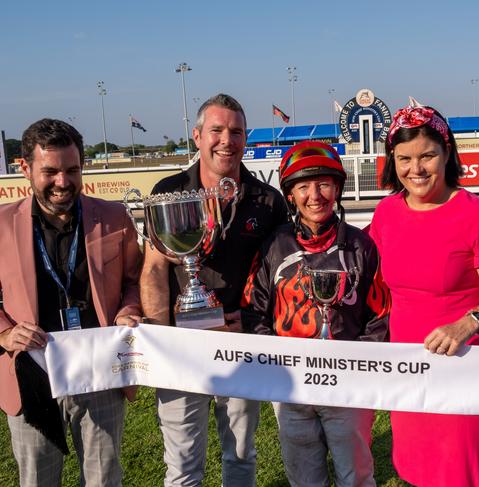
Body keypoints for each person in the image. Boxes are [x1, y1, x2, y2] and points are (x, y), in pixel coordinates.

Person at [140, 94, 288, 486]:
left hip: (239, 345)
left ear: (245, 138)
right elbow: (154, 268)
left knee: (240, 455)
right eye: (217, 130)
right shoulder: (168, 191)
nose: (227, 140)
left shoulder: (267, 200)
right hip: (180, 348)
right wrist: (158, 334)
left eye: (236, 131)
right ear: (197, 135)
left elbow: (278, 277)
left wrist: (254, 321)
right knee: (183, 463)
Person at [369, 106, 479, 487]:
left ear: (447, 154)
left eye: (427, 156)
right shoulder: (385, 213)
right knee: (418, 471)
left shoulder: (477, 215)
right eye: (404, 159)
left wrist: (468, 323)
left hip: (465, 368)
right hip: (410, 370)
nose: (415, 169)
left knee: (462, 475)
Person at [0, 118, 142, 486]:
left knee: (104, 478)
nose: (63, 182)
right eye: (50, 171)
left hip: (100, 369)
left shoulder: (113, 217)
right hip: (32, 373)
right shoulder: (1, 225)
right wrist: (4, 333)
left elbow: (134, 280)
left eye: (72, 170)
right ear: (25, 168)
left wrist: (129, 309)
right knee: (37, 479)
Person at [241, 140, 390, 487]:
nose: (315, 195)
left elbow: (380, 315)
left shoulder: (362, 245)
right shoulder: (273, 246)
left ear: (337, 187)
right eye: (303, 186)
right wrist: (277, 360)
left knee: (356, 476)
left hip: (348, 386)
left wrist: (357, 366)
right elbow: (254, 310)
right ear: (289, 195)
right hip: (291, 387)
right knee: (304, 479)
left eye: (323, 183)